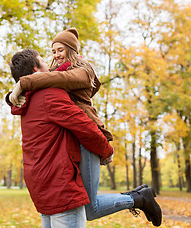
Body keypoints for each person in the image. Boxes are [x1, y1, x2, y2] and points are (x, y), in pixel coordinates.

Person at [7, 28, 162, 227]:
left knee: (91, 207)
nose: (53, 57)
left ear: (72, 50)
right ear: (37, 69)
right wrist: (15, 93)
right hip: (72, 152)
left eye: (60, 50)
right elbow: (51, 80)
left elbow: (79, 113)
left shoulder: (82, 70)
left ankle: (140, 198)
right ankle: (139, 198)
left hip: (87, 138)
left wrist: (21, 84)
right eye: (50, 54)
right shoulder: (45, 92)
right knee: (91, 208)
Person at [7, 48, 114, 228]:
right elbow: (85, 126)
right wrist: (106, 150)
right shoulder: (49, 95)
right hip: (61, 186)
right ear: (36, 70)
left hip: (40, 184)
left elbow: (61, 74)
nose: (49, 64)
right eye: (42, 60)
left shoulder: (25, 102)